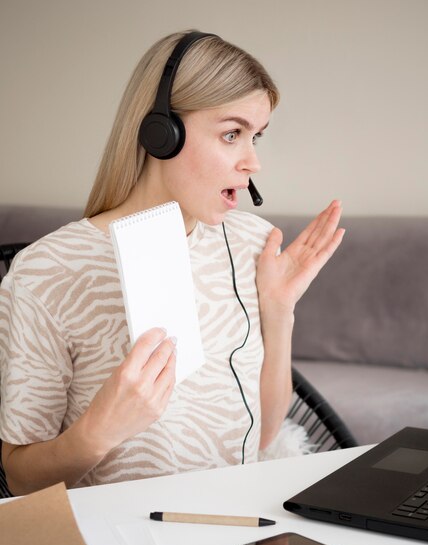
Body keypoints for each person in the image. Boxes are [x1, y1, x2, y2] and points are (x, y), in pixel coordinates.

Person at [0, 30, 344, 495]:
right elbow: (21, 480)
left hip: (234, 523)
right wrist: (98, 431)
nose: (253, 162)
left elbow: (262, 438)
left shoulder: (251, 244)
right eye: (231, 133)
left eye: (255, 137)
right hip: (123, 540)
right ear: (161, 133)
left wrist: (279, 311)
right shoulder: (48, 271)